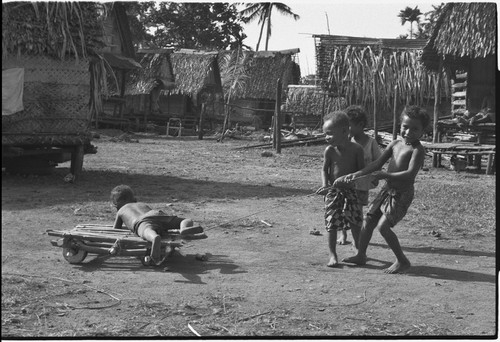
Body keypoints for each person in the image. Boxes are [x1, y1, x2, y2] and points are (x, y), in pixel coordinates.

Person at [340, 105, 430, 274]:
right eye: (405, 126)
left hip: (401, 194)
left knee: (383, 227)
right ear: (400, 125)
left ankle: (402, 261)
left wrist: (385, 176)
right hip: (387, 190)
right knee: (368, 221)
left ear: (422, 132)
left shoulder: (417, 150)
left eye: (415, 129)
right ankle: (361, 254)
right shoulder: (395, 144)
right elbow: (377, 163)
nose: (408, 131)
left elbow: (410, 175)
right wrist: (358, 173)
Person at [315, 111, 365, 267]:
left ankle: (359, 252)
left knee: (356, 222)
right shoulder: (329, 151)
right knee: (331, 224)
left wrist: (351, 179)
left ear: (344, 131)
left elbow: (361, 171)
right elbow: (325, 170)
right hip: (333, 192)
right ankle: (332, 255)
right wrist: (325, 185)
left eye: (330, 133)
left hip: (351, 192)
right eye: (325, 134)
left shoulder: (357, 149)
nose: (327, 137)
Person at [111, 185, 203, 265]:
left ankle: (154, 237)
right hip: (156, 214)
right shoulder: (141, 204)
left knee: (146, 230)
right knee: (185, 220)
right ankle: (183, 228)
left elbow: (116, 230)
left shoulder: (121, 210)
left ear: (118, 203)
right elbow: (153, 218)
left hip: (141, 221)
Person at [336, 105, 382, 246]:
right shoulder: (346, 142)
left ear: (361, 125)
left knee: (357, 211)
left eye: (349, 126)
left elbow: (378, 162)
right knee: (343, 209)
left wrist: (373, 176)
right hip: (346, 183)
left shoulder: (371, 143)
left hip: (362, 184)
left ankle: (358, 236)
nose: (346, 130)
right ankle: (343, 234)